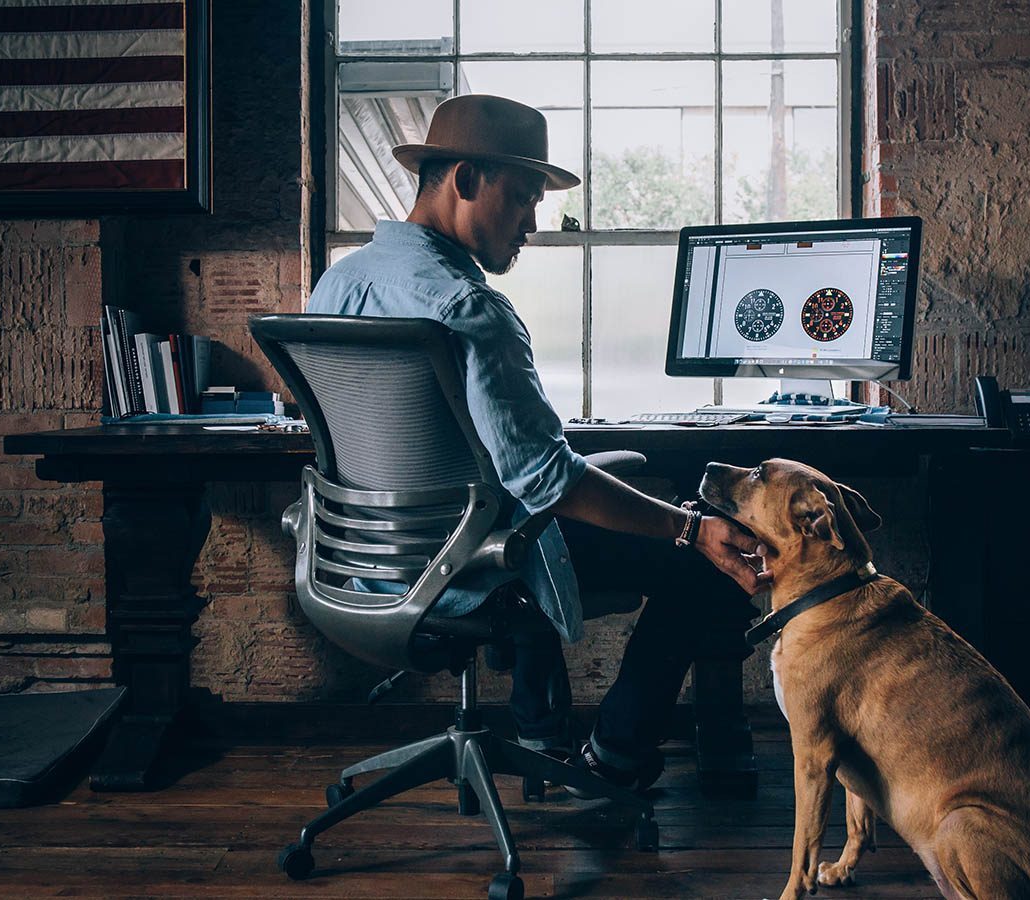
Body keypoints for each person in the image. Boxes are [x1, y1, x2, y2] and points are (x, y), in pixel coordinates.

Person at [308, 94, 769, 790]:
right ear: (465, 182)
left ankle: (541, 734)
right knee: (704, 552)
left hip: (366, 560)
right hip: (465, 565)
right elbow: (548, 480)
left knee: (545, 511)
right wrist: (691, 528)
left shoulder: (335, 287)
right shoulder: (471, 309)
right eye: (522, 199)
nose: (532, 225)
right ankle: (616, 757)